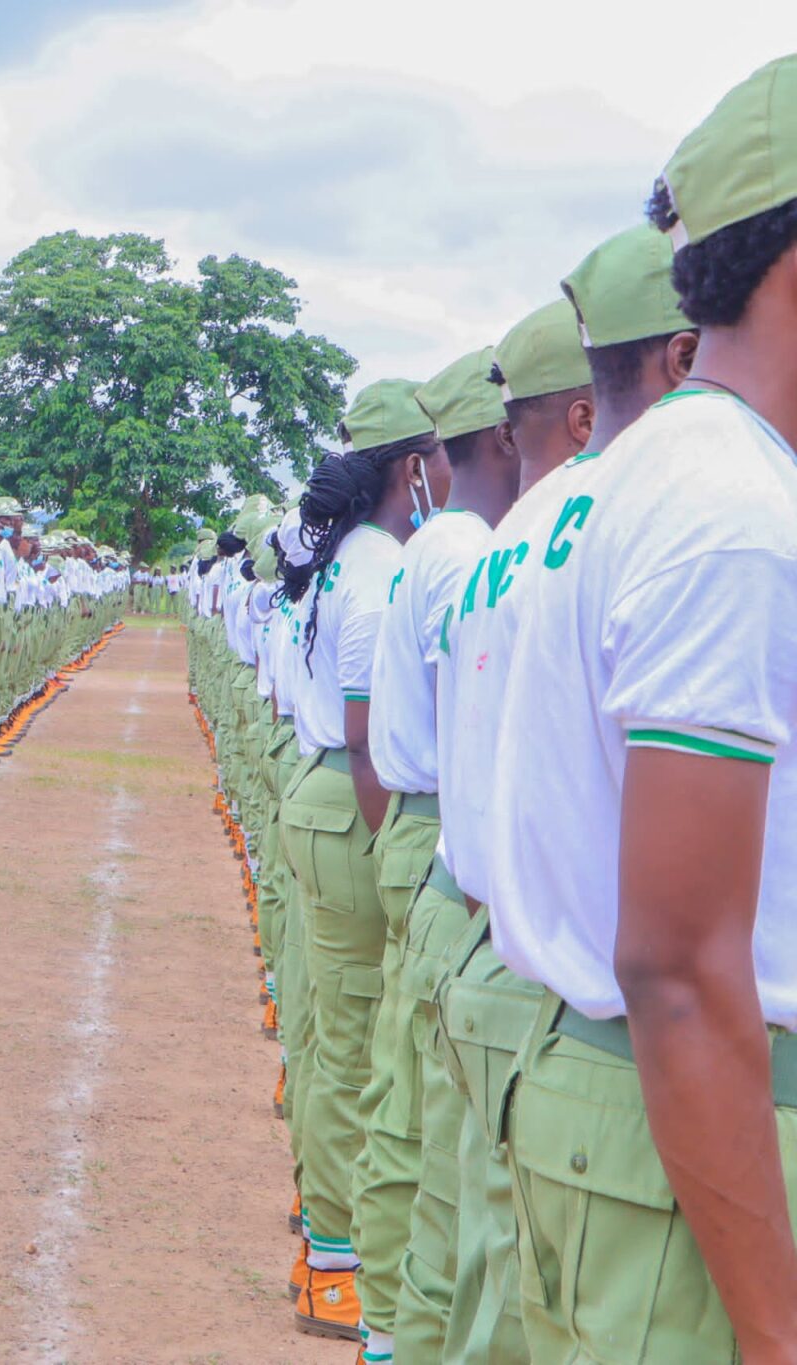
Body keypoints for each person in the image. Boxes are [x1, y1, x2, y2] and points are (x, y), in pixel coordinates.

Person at [466, 66, 797, 1348]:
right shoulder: (731, 517)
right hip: (703, 1134)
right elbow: (673, 962)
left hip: (632, 1121)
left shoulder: (652, 475)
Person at [435, 295, 596, 1365]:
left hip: (486, 925)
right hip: (563, 985)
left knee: (483, 1264)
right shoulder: (610, 522)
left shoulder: (512, 539)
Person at [274, 379, 447, 1342]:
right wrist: (393, 855)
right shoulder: (379, 567)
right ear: (412, 470)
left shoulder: (348, 559)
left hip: (325, 793)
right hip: (355, 800)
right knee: (355, 1046)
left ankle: (324, 1224)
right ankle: (335, 1257)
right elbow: (368, 731)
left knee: (329, 1029)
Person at [355, 345, 511, 1363]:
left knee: (416, 1125)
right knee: (426, 1142)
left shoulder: (444, 546)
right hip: (432, 835)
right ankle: (373, 1315)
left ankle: (378, 1323)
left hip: (424, 832)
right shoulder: (454, 551)